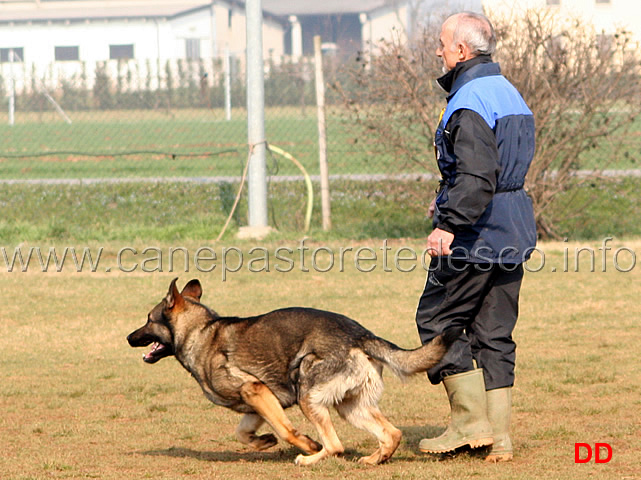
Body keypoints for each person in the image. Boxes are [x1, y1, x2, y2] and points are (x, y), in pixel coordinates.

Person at [415, 11, 537, 463]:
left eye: (443, 44)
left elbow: (477, 176)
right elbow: (500, 171)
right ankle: (498, 438)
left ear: (462, 51)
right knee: (494, 332)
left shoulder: (467, 100)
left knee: (437, 319)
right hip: (513, 227)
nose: (438, 51)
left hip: (476, 233)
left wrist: (448, 222)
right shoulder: (508, 92)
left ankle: (469, 423)